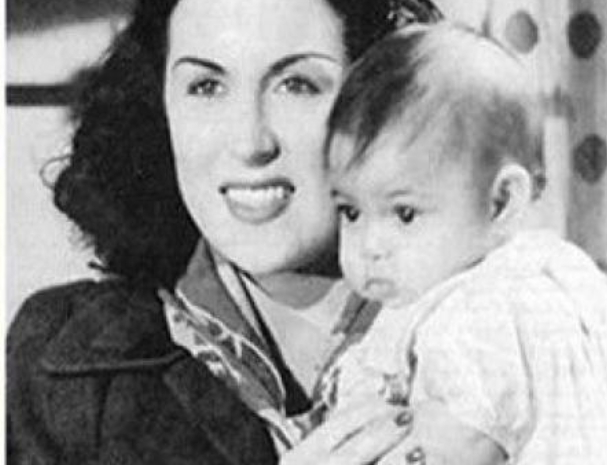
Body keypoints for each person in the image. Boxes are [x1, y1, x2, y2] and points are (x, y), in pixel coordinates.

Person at [6, 0, 444, 464]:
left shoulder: (482, 324)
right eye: (206, 87)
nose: (250, 142)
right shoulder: (66, 363)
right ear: (159, 107)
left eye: (297, 85)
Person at [321, 22, 607, 465]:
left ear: (501, 202)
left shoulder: (480, 316)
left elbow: (455, 448)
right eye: (351, 212)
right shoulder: (553, 273)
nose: (370, 246)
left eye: (405, 214)